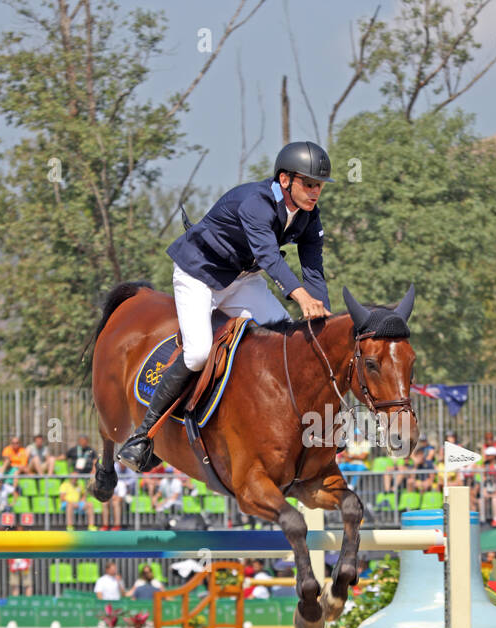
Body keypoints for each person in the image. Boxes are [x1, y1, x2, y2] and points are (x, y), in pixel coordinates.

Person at [117, 141, 334, 471]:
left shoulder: (307, 216)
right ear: (286, 180)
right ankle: (143, 435)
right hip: (199, 275)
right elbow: (268, 257)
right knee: (198, 353)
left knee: (286, 340)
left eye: (318, 185)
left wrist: (323, 320)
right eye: (309, 183)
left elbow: (313, 268)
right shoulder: (256, 203)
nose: (315, 192)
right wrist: (301, 298)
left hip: (241, 281)